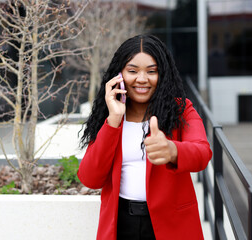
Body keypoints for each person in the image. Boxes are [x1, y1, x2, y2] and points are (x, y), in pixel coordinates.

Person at [78, 34, 212, 240]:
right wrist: (114, 118)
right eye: (132, 71)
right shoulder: (111, 116)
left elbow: (202, 153)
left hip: (171, 226)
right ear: (119, 74)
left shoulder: (181, 109)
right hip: (120, 224)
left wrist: (173, 150)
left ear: (163, 74)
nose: (142, 79)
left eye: (152, 71)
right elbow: (90, 178)